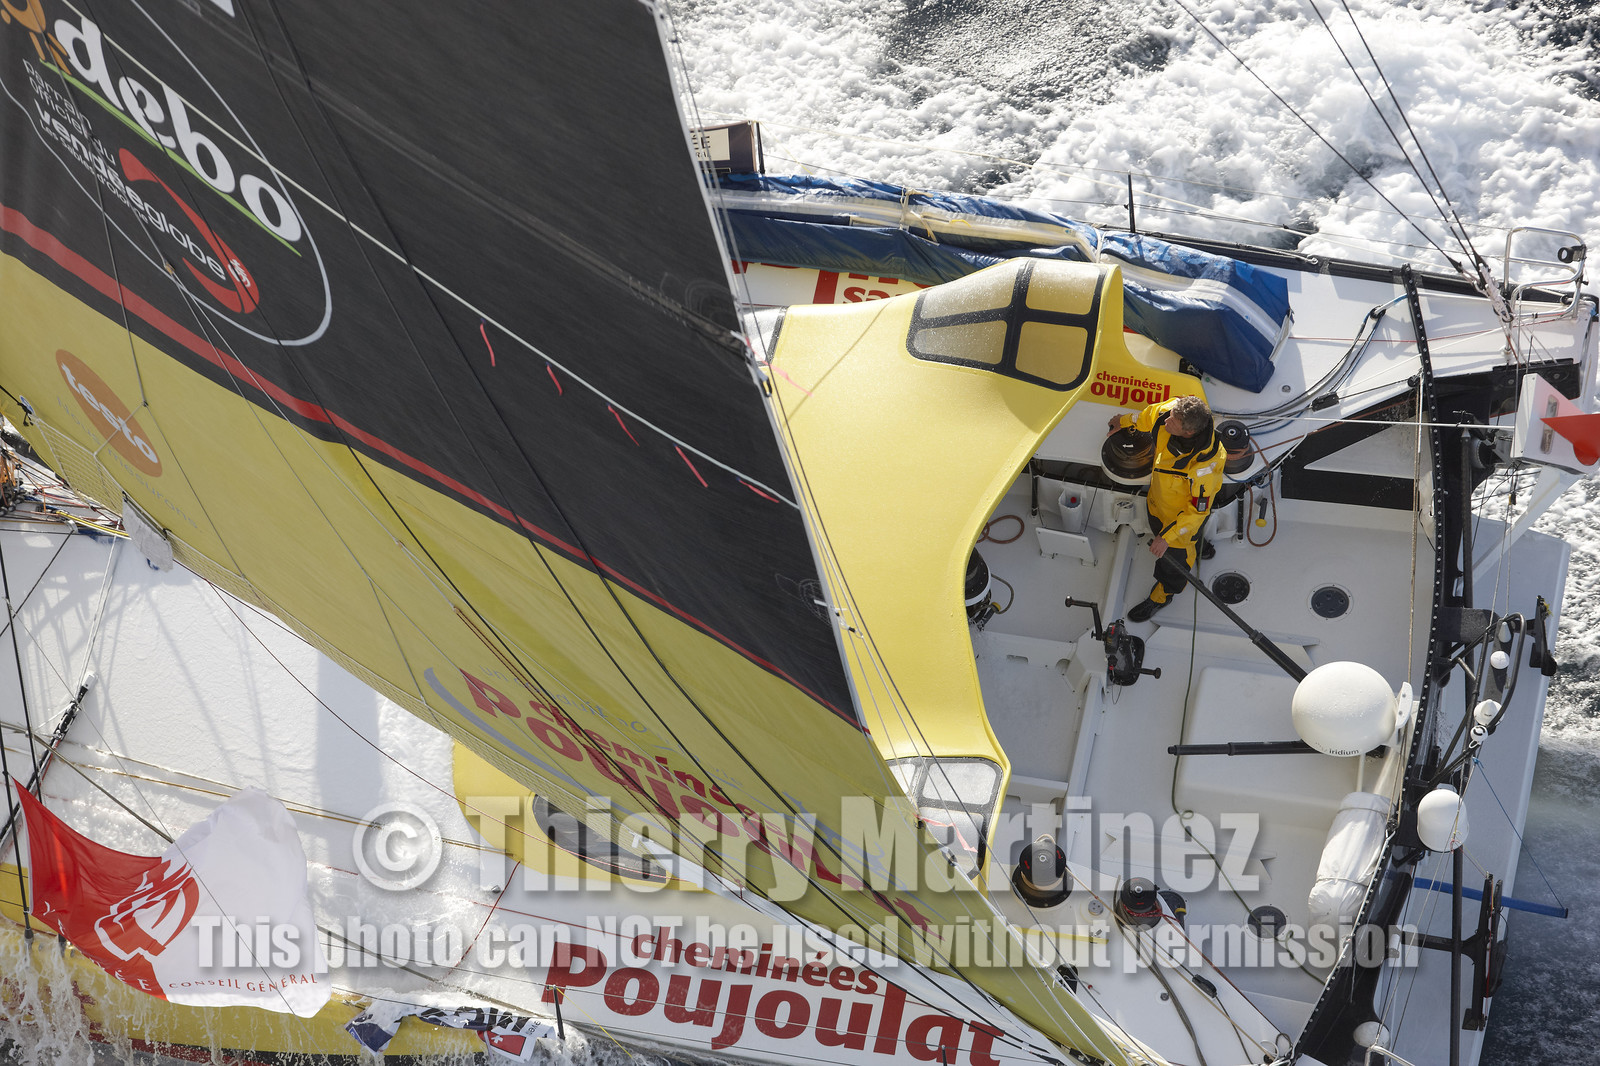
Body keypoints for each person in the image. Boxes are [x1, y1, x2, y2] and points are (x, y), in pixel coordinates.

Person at [1105, 394, 1224, 622]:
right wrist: (1124, 420)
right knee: (1191, 538)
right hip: (1157, 504)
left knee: (1173, 563)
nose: (1166, 420)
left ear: (1188, 432)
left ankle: (1162, 596)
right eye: (1170, 414)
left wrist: (1166, 538)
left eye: (1173, 422)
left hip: (1179, 524)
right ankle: (1202, 548)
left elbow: (1197, 512)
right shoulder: (1170, 413)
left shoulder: (1205, 466)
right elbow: (1147, 416)